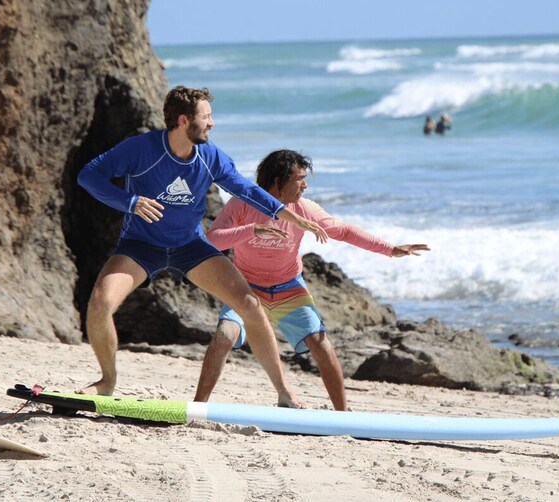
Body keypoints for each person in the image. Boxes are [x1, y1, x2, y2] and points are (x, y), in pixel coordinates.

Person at [76, 86, 330, 408]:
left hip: (190, 246)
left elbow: (246, 189)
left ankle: (285, 393)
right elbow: (89, 175)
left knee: (250, 306)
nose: (212, 123)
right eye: (206, 116)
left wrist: (288, 215)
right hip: (141, 245)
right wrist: (130, 201)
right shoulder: (141, 150)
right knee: (99, 304)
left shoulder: (211, 158)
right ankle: (107, 380)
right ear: (184, 120)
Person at [195, 149, 430, 411]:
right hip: (246, 288)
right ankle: (198, 407)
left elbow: (343, 231)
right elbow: (212, 240)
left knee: (320, 343)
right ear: (277, 182)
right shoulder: (242, 204)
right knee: (224, 336)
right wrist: (252, 229)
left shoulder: (303, 209)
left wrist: (390, 249)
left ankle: (343, 413)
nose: (305, 185)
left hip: (288, 287)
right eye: (300, 178)